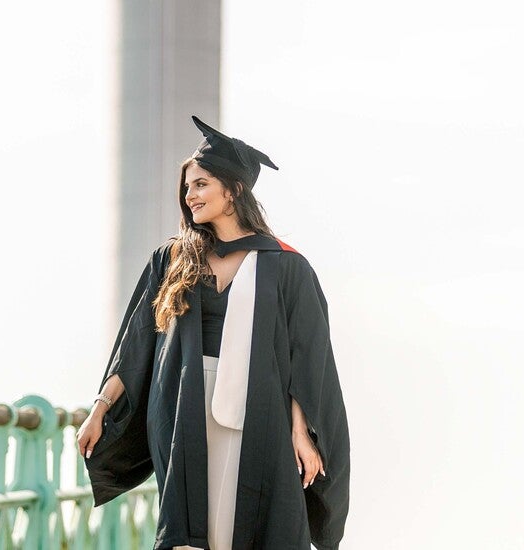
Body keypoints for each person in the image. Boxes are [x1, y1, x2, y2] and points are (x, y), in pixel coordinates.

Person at [77, 116, 350, 549]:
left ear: (234, 189)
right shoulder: (171, 260)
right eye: (187, 187)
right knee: (193, 526)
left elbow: (307, 357)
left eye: (201, 184)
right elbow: (136, 343)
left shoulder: (285, 266)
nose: (190, 196)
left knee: (254, 518)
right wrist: (99, 408)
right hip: (182, 407)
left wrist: (301, 431)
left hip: (260, 410)